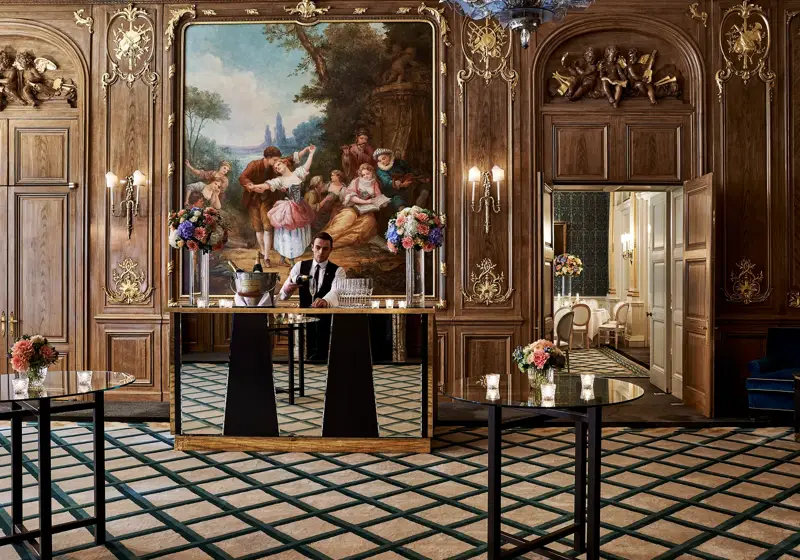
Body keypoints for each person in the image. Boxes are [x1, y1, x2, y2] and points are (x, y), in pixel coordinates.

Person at [279, 232, 346, 360]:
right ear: (312, 247)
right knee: (304, 362)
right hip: (304, 325)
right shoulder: (299, 267)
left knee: (326, 361)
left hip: (326, 325)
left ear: (331, 249)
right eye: (318, 247)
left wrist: (325, 300)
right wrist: (288, 289)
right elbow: (283, 296)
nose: (321, 252)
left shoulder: (338, 271)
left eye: (325, 248)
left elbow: (337, 291)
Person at [239, 146, 307, 268]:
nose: (277, 162)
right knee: (258, 228)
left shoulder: (275, 165)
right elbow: (242, 177)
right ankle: (262, 251)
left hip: (268, 199)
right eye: (275, 159)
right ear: (268, 158)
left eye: (278, 160)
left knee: (268, 227)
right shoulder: (254, 165)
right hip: (253, 200)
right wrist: (251, 186)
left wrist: (305, 151)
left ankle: (267, 257)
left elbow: (290, 159)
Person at [263, 147, 317, 266]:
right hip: (288, 207)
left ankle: (286, 257)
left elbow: (307, 166)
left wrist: (311, 154)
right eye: (275, 167)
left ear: (284, 163)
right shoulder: (279, 180)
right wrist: (254, 186)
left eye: (278, 164)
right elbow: (266, 186)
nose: (277, 167)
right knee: (286, 233)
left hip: (300, 206)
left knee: (297, 232)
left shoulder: (298, 173)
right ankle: (288, 258)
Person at [323, 163, 389, 248]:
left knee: (368, 224)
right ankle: (325, 240)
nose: (365, 176)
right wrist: (367, 201)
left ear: (372, 173)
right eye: (363, 174)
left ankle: (335, 244)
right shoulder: (356, 181)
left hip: (366, 211)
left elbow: (378, 196)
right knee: (346, 219)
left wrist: (382, 202)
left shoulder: (374, 183)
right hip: (353, 207)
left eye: (367, 174)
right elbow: (352, 197)